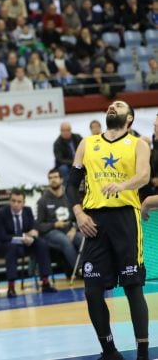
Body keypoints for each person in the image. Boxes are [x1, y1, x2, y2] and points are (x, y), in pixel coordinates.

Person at [70, 101, 150, 360]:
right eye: (110, 106)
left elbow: (144, 176)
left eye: (119, 106)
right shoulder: (87, 143)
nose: (112, 107)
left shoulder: (138, 144)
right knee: (92, 291)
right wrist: (79, 213)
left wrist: (122, 185)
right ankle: (109, 351)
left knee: (132, 287)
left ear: (130, 119)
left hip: (125, 219)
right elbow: (73, 183)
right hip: (94, 222)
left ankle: (142, 353)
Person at [0, 189, 58, 297]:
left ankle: (45, 282)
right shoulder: (1, 213)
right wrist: (22, 237)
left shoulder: (27, 211)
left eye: (19, 201)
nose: (16, 204)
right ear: (9, 201)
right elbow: (0, 236)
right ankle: (11, 287)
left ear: (23, 202)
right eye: (13, 201)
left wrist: (34, 233)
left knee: (41, 244)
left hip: (23, 245)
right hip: (4, 245)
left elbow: (34, 227)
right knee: (12, 248)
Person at [36, 168, 83, 274]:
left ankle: (89, 268)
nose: (53, 180)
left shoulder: (69, 196)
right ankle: (80, 270)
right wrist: (54, 224)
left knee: (82, 239)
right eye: (50, 178)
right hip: (52, 232)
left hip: (70, 229)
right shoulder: (43, 200)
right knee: (65, 241)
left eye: (55, 177)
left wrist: (74, 229)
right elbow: (39, 225)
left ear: (61, 179)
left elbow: (77, 216)